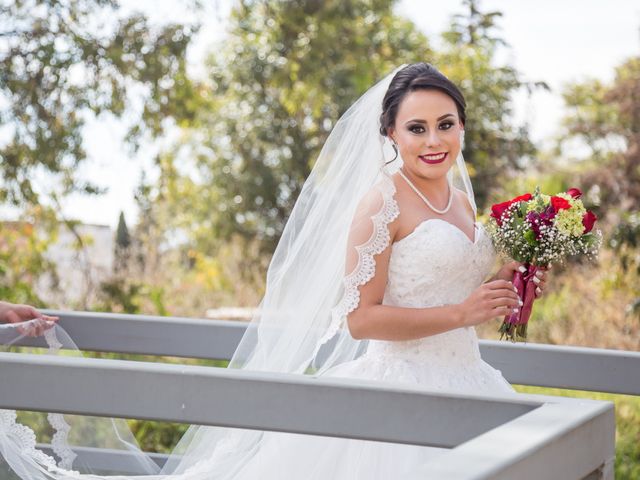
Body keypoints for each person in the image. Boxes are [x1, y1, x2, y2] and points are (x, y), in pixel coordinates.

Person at [0, 63, 548, 479]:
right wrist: (460, 313)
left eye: (445, 125)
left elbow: (451, 283)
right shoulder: (380, 203)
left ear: (461, 126)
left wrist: (507, 284)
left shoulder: (460, 200)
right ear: (391, 135)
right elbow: (361, 320)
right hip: (400, 396)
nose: (434, 141)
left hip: (472, 382)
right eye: (417, 128)